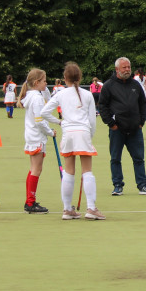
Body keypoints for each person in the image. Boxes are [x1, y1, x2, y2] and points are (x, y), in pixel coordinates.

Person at [40, 62, 104, 220]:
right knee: (87, 171)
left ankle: (67, 209)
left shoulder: (60, 94)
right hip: (83, 133)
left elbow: (44, 112)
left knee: (69, 172)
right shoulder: (87, 94)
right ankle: (91, 208)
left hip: (68, 133)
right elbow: (92, 120)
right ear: (80, 77)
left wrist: (60, 122)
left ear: (65, 78)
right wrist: (90, 136)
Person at [98, 56, 146, 197]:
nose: (127, 69)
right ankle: (118, 185)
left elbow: (142, 103)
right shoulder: (109, 85)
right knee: (115, 158)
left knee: (139, 158)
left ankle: (143, 185)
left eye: (128, 67)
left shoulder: (136, 85)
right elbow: (102, 106)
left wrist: (141, 121)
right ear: (117, 69)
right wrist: (111, 124)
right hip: (117, 130)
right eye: (124, 67)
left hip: (135, 129)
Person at [19, 68, 60, 214]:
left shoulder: (33, 95)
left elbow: (48, 99)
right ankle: (30, 203)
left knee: (33, 170)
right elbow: (39, 121)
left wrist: (45, 89)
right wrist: (50, 132)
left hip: (32, 136)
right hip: (37, 137)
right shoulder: (36, 98)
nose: (46, 83)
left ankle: (29, 201)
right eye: (44, 81)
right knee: (36, 170)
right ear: (36, 82)